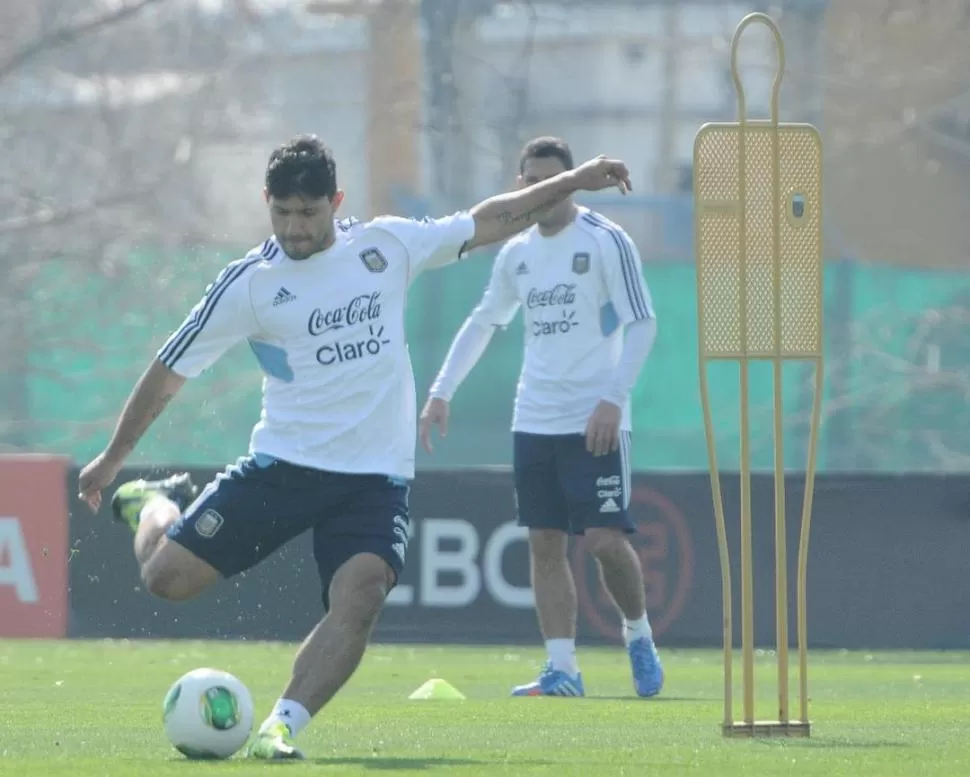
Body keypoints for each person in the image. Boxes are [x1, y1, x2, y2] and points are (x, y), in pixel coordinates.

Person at [77, 135, 634, 759]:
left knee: (363, 593)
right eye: (282, 212)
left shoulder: (386, 244)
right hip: (283, 466)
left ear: (336, 203)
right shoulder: (250, 284)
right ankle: (155, 506)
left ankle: (280, 727)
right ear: (267, 202)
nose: (294, 227)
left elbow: (489, 220)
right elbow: (168, 371)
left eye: (309, 213)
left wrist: (574, 180)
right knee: (166, 581)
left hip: (373, 478)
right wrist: (115, 457)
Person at [419, 136, 662, 699]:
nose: (540, 193)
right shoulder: (516, 252)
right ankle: (563, 669)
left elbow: (642, 323)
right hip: (534, 419)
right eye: (529, 183)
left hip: (595, 418)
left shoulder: (606, 241)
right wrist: (441, 391)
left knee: (603, 540)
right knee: (545, 544)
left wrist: (612, 399)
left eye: (552, 181)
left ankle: (638, 634)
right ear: (520, 185)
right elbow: (484, 322)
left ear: (571, 180)